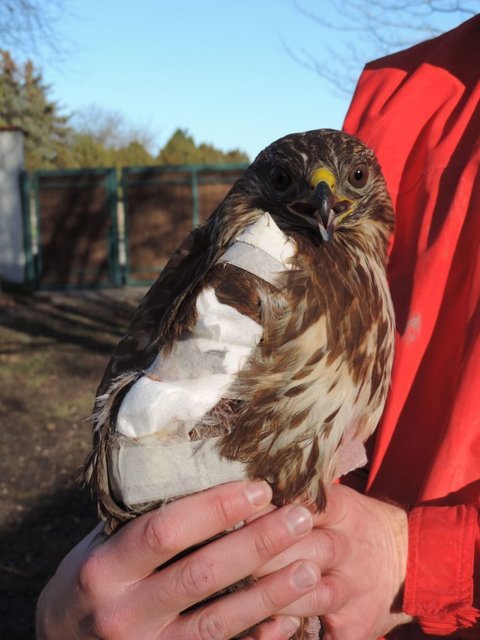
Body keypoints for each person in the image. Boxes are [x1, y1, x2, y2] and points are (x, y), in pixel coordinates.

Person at [36, 16, 479, 640]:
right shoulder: (403, 92)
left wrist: (420, 558)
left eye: (352, 181)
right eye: (285, 183)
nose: (323, 194)